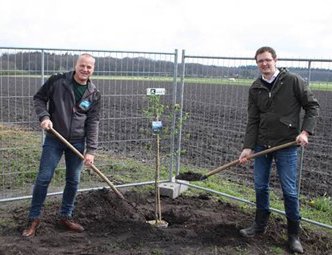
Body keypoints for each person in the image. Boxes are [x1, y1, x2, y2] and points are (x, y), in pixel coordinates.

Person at [238, 46, 319, 253]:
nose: (264, 64)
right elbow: (253, 120)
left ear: (275, 60)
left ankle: (293, 235)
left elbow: (312, 106)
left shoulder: (292, 81)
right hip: (261, 145)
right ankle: (259, 225)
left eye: (267, 60)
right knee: (260, 186)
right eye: (260, 61)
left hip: (286, 145)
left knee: (289, 191)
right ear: (257, 64)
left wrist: (305, 132)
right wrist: (248, 147)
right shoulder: (255, 88)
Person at [22, 53, 101, 237]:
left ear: (93, 70)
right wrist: (45, 117)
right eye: (82, 65)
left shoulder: (94, 93)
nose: (85, 70)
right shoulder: (57, 81)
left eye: (89, 67)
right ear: (76, 65)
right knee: (44, 178)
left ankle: (66, 216)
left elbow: (93, 122)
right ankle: (33, 219)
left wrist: (91, 150)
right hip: (54, 139)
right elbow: (39, 98)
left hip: (78, 141)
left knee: (73, 180)